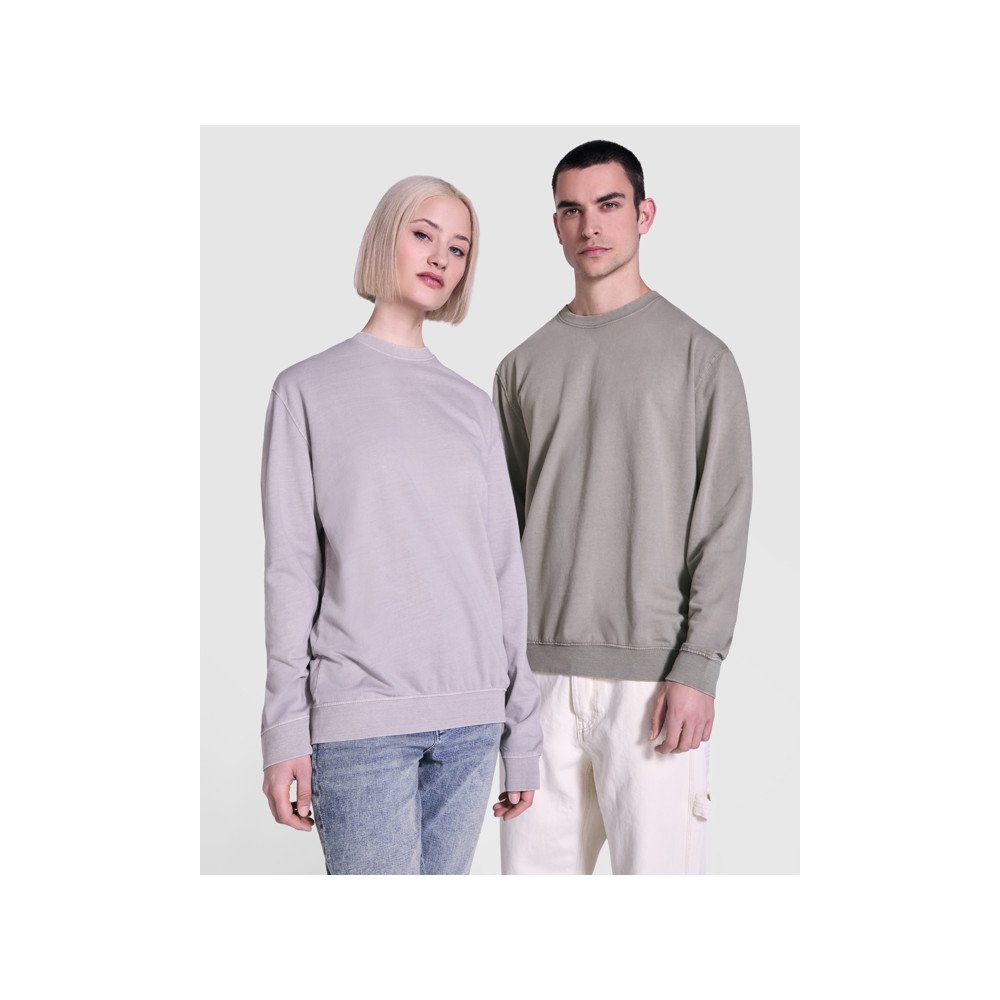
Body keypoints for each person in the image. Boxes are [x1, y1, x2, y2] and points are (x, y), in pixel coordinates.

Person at [260, 175, 542, 875]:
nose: (441, 257)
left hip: (473, 722)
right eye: (423, 234)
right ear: (385, 236)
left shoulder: (472, 406)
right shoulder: (306, 390)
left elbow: (504, 571)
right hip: (363, 725)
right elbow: (292, 570)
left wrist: (522, 732)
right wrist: (284, 728)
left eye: (459, 248)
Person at [492, 140, 752, 875]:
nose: (591, 226)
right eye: (572, 210)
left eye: (608, 205)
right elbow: (501, 535)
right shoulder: (520, 367)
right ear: (556, 226)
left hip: (654, 681)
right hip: (538, 682)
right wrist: (502, 679)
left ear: (644, 214)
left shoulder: (701, 358)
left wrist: (698, 667)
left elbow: (723, 523)